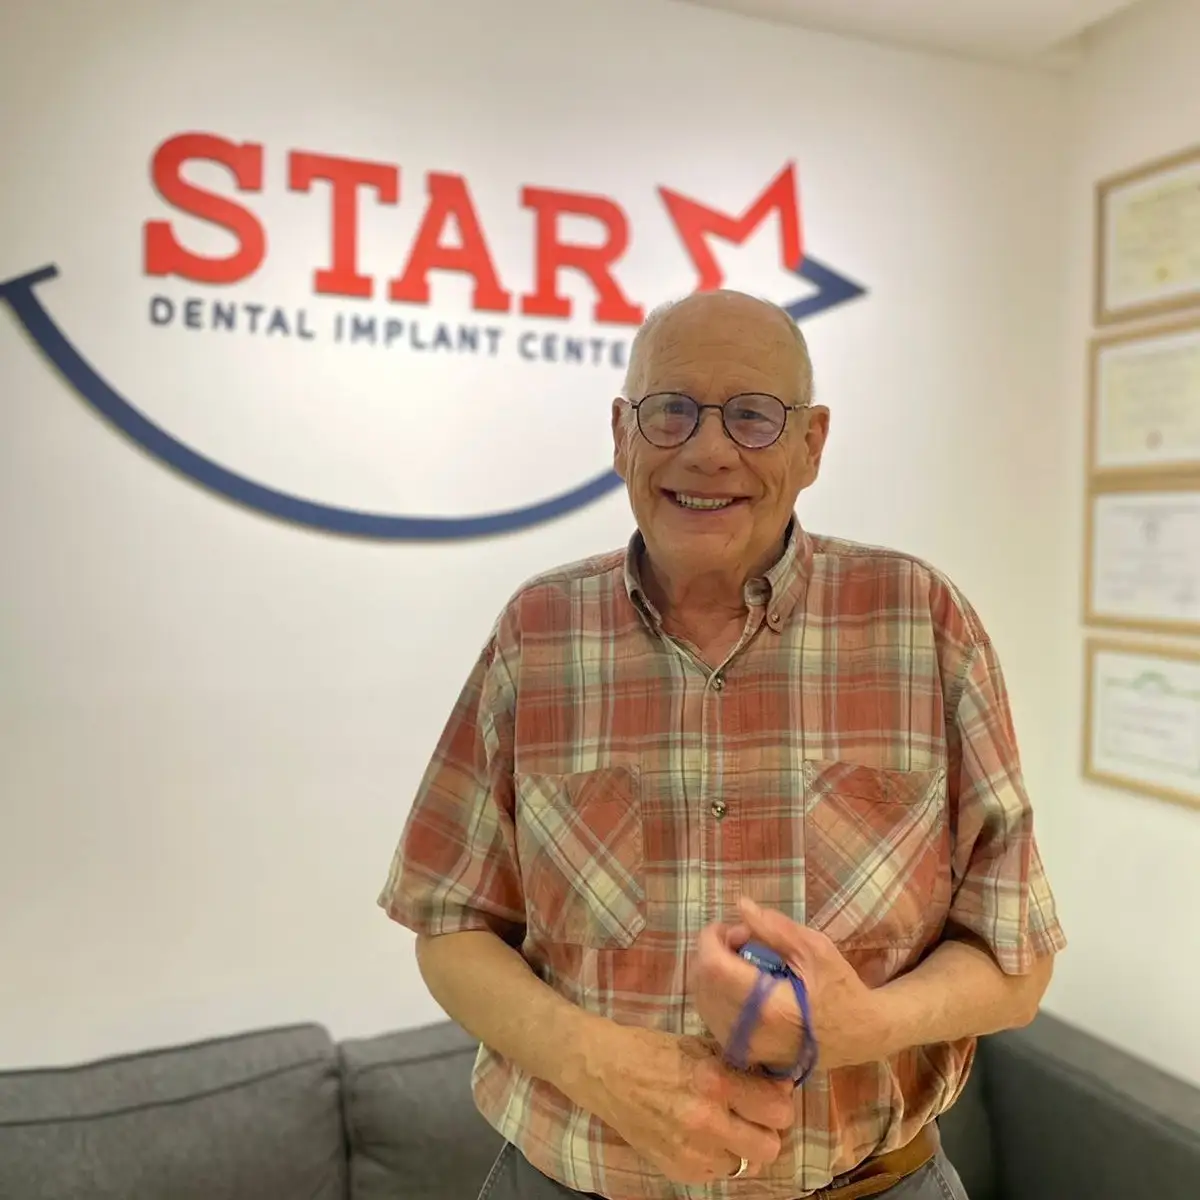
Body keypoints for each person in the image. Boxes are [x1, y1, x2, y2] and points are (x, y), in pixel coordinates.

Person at [378, 289, 1066, 1200]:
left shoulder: (921, 624)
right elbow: (449, 924)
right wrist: (597, 1065)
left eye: (753, 415)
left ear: (811, 444)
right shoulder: (537, 633)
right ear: (622, 434)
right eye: (671, 411)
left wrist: (860, 1024)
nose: (708, 450)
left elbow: (1016, 958)